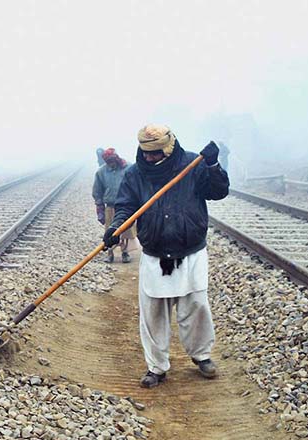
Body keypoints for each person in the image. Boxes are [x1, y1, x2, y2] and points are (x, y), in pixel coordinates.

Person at [103, 124, 229, 388]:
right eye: (145, 152)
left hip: (191, 252)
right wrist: (116, 228)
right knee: (152, 314)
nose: (149, 157)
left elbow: (218, 192)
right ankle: (156, 367)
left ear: (169, 147)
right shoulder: (135, 175)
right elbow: (126, 207)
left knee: (196, 307)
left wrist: (213, 165)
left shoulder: (193, 165)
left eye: (156, 152)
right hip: (155, 254)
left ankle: (201, 355)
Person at [93, 148, 135, 263]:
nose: (111, 164)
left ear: (116, 159)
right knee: (110, 231)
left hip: (126, 206)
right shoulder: (101, 172)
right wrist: (99, 208)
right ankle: (110, 254)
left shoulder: (128, 168)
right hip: (110, 207)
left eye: (112, 162)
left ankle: (125, 253)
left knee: (125, 231)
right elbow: (97, 191)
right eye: (108, 162)